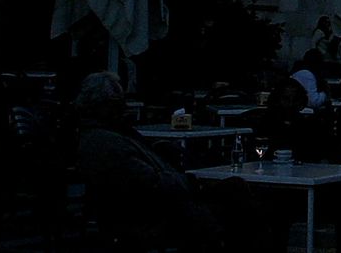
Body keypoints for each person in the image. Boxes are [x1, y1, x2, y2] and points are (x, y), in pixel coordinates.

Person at [72, 71, 280, 252]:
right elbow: (149, 182)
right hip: (158, 211)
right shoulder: (106, 142)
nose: (124, 108)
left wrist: (160, 150)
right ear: (102, 106)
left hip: (163, 201)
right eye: (118, 104)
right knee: (239, 197)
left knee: (239, 190)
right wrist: (191, 182)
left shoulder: (114, 134)